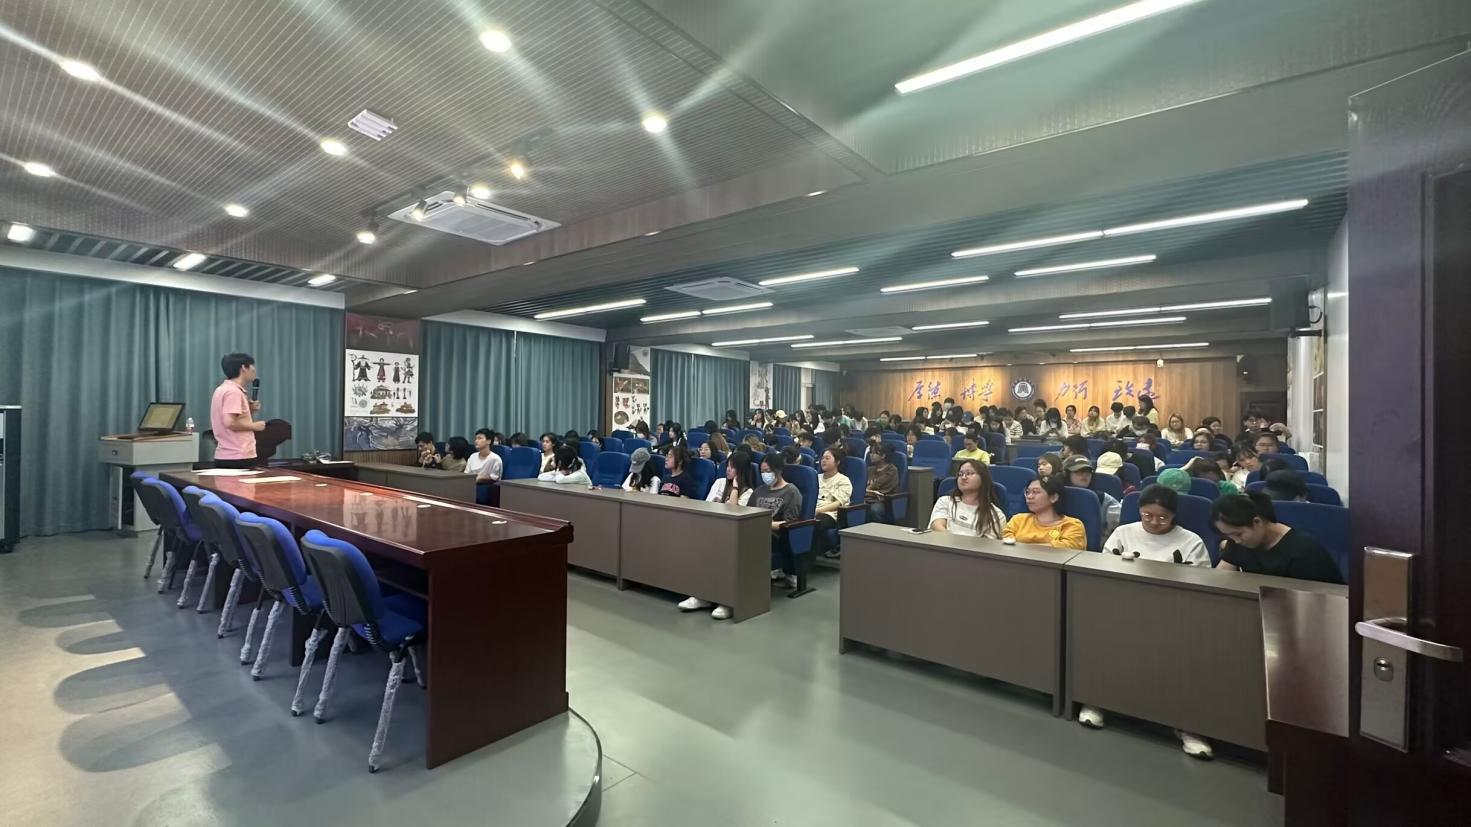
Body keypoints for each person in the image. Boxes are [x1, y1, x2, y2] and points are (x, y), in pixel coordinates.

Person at [1084, 483, 1213, 756]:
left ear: (1174, 515)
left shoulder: (1190, 541)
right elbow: (1104, 568)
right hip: (1124, 606)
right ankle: (1096, 702)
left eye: (1162, 517)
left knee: (1187, 658)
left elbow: (1202, 582)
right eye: (1147, 515)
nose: (1154, 522)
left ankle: (1188, 726)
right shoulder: (1123, 533)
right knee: (1101, 641)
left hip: (1174, 612)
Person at [678, 458, 756, 619]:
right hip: (715, 529)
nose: (728, 470)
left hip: (735, 535)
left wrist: (735, 487)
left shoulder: (748, 492)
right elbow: (707, 505)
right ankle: (702, 596)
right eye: (727, 466)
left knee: (723, 553)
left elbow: (734, 512)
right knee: (699, 548)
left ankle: (726, 602)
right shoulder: (720, 482)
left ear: (741, 472)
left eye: (733, 467)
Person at [1212, 491, 1343, 584]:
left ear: (1257, 522)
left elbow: (1313, 601)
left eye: (1238, 534)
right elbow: (1221, 578)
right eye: (1229, 535)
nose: (1235, 540)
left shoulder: (1304, 551)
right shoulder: (1239, 541)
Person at [753, 452, 803, 589]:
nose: (765, 475)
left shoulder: (791, 492)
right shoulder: (759, 491)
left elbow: (789, 523)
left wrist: (763, 524)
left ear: (778, 470)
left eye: (767, 471)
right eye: (762, 472)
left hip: (775, 535)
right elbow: (748, 512)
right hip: (753, 530)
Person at [210, 352, 265, 468]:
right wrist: (255, 426)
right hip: (239, 456)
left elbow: (229, 419)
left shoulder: (222, 389)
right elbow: (230, 423)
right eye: (252, 365)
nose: (254, 370)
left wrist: (249, 410)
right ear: (243, 368)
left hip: (225, 455)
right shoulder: (233, 392)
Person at [1004, 475, 1087, 549]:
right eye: (1027, 492)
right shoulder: (1018, 520)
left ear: (1053, 498)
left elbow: (1066, 549)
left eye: (1036, 492)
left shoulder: (1072, 525)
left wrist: (1022, 547)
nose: (1029, 496)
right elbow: (1006, 542)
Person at [929, 459, 1006, 538]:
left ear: (983, 478)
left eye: (969, 473)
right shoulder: (945, 501)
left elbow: (989, 544)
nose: (963, 477)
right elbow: (936, 526)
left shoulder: (996, 515)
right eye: (960, 474)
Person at [1063, 455, 1120, 535]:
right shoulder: (1055, 495)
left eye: (1088, 471)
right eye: (1079, 471)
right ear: (1066, 474)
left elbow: (1117, 524)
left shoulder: (1102, 498)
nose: (1084, 475)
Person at [813, 448, 854, 558]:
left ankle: (810, 556)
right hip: (812, 509)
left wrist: (817, 511)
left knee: (813, 523)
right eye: (822, 458)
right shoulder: (815, 477)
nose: (823, 461)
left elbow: (838, 503)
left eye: (827, 458)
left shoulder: (843, 480)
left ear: (837, 462)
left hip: (830, 514)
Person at [864, 442, 900, 521]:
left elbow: (875, 484)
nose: (871, 455)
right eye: (871, 453)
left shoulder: (891, 470)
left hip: (883, 500)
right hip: (868, 498)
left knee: (874, 510)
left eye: (874, 453)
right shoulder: (870, 469)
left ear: (883, 455)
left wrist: (866, 490)